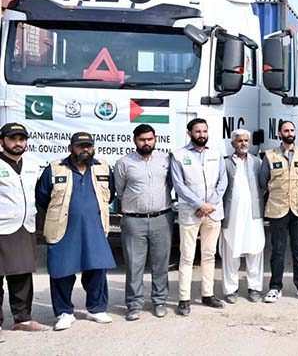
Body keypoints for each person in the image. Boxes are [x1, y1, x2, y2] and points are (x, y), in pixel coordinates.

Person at [35, 132, 116, 330]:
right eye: (80, 146)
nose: (85, 149)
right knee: (61, 270)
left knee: (96, 269)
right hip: (63, 229)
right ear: (71, 148)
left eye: (88, 146)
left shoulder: (102, 167)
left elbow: (110, 195)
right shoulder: (55, 168)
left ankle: (96, 309)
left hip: (94, 228)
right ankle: (64, 312)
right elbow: (42, 197)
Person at [114, 124, 173, 320]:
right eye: (142, 139)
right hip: (134, 220)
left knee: (161, 263)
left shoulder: (165, 160)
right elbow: (120, 190)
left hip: (162, 218)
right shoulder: (124, 163)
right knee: (134, 264)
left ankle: (159, 301)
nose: (146, 143)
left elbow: (171, 184)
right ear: (135, 141)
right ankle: (134, 305)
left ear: (155, 139)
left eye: (149, 139)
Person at [171, 118, 228, 316]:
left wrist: (210, 205)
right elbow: (179, 186)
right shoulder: (179, 155)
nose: (202, 135)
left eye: (204, 131)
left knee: (209, 255)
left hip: (213, 212)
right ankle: (184, 299)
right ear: (189, 133)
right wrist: (199, 205)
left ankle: (208, 294)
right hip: (190, 213)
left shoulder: (216, 153)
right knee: (187, 256)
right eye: (197, 131)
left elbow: (223, 181)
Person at [0, 123, 49, 342]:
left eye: (21, 139)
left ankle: (23, 319)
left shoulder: (32, 165)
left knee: (22, 273)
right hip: (2, 227)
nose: (18, 143)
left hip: (25, 226)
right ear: (2, 141)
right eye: (12, 139)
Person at [259, 120, 298, 303]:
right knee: (277, 250)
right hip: (278, 208)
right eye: (286, 130)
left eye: (292, 130)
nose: (289, 133)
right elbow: (263, 181)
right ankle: (275, 287)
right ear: (279, 133)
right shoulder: (270, 155)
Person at [220, 130, 265, 304]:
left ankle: (255, 288)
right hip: (232, 215)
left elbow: (264, 184)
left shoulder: (257, 162)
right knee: (231, 251)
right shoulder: (224, 163)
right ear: (233, 143)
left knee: (255, 250)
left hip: (253, 214)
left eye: (246, 140)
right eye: (239, 141)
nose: (243, 144)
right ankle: (231, 289)